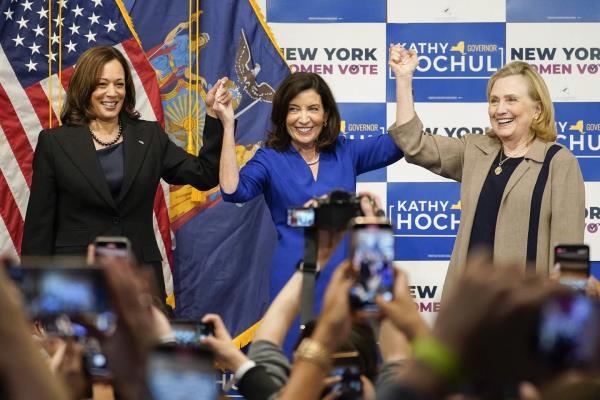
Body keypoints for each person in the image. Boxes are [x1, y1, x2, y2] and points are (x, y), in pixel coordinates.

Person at [21, 46, 230, 302]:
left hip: (139, 280)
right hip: (76, 283)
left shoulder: (150, 136)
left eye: (119, 84)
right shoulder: (54, 143)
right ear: (84, 87)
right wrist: (34, 295)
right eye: (102, 84)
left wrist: (212, 115)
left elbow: (205, 174)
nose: (112, 93)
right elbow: (39, 227)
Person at [215, 72, 404, 343]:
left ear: (326, 115)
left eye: (313, 109)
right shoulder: (269, 158)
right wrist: (228, 126)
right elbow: (233, 191)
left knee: (344, 359)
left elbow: (399, 143)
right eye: (294, 110)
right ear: (283, 116)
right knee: (293, 359)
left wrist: (404, 80)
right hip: (291, 278)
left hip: (345, 276)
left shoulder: (345, 151)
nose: (304, 119)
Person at [387, 44, 585, 297]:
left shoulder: (559, 162)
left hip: (525, 317)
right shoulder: (475, 150)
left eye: (511, 99)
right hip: (468, 312)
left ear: (537, 110)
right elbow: (413, 143)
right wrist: (404, 79)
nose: (499, 109)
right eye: (494, 100)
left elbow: (569, 260)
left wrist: (563, 325)